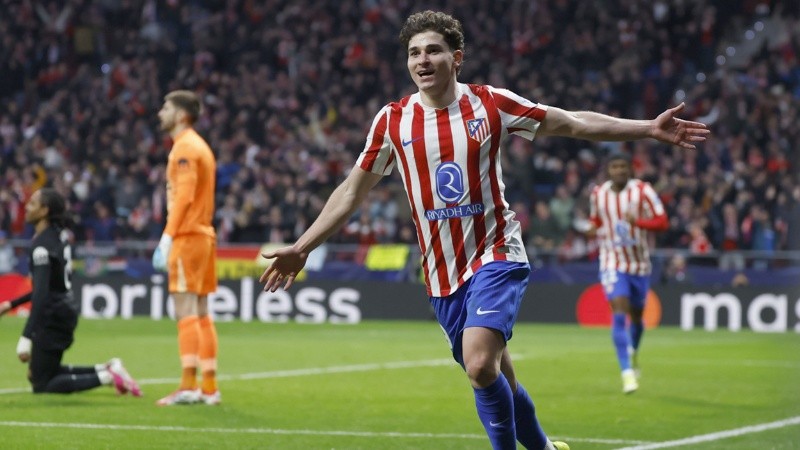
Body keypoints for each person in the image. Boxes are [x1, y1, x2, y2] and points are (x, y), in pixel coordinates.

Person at [259, 11, 708, 450]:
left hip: (496, 252)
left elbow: (569, 122)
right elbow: (351, 192)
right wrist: (303, 246)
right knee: (499, 379)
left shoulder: (489, 103)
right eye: (414, 53)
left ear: (457, 57)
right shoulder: (392, 120)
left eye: (433, 50)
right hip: (441, 272)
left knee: (478, 365)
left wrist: (647, 128)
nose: (422, 61)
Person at [0, 188, 141, 396]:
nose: (27, 208)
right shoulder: (57, 236)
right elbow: (46, 287)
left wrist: (26, 337)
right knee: (46, 373)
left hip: (53, 315)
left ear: (44, 211)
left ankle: (107, 377)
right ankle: (108, 369)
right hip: (62, 311)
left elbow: (41, 294)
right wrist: (11, 304)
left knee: (41, 384)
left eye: (32, 204)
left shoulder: (42, 246)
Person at [151, 90, 220, 406]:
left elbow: (184, 197)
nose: (159, 113)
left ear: (180, 114)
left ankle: (188, 385)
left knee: (186, 310)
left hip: (188, 235)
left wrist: (167, 236)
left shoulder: (185, 148)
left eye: (165, 108)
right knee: (202, 312)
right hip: (203, 234)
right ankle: (208, 386)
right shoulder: (199, 146)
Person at [584, 152, 669, 394]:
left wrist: (638, 223)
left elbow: (663, 222)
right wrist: (591, 229)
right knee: (619, 314)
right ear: (608, 170)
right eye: (614, 167)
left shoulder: (643, 191)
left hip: (639, 265)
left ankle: (633, 351)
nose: (619, 171)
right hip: (612, 261)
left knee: (638, 318)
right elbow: (596, 221)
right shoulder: (598, 194)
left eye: (623, 167)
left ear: (630, 170)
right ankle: (627, 373)